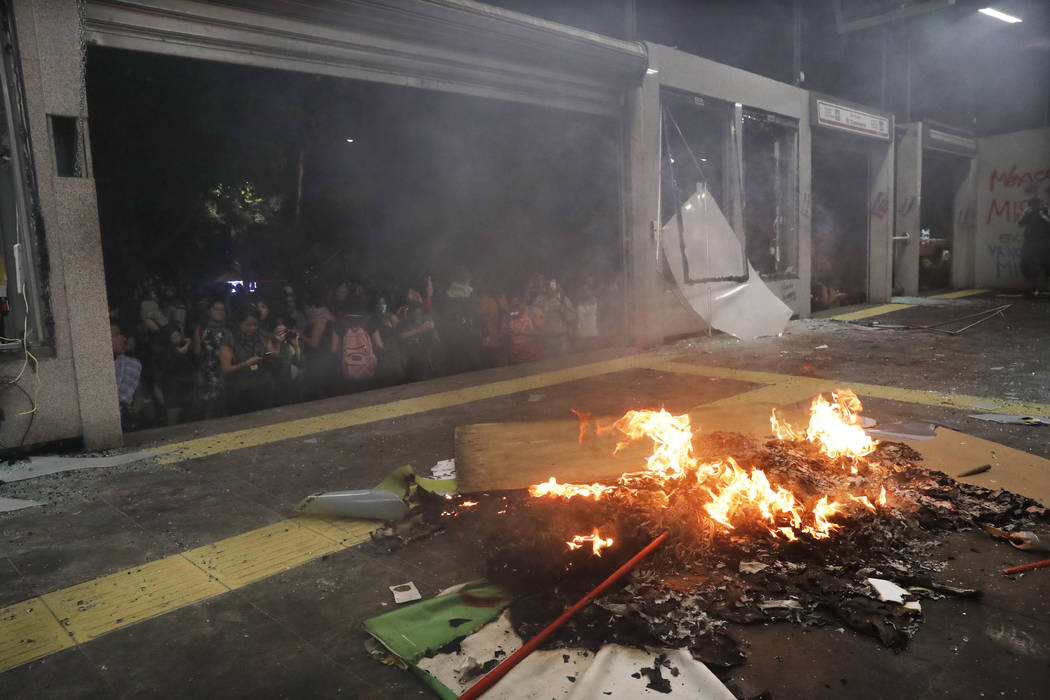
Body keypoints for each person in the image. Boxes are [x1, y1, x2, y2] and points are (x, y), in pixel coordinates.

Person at [220, 307, 277, 415]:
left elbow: (272, 354)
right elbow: (225, 368)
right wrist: (245, 364)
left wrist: (271, 355)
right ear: (239, 323)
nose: (252, 328)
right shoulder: (229, 337)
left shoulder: (262, 335)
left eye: (255, 325)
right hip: (239, 388)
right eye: (247, 325)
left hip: (262, 385)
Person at [437, 267, 482, 375]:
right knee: (471, 365)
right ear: (467, 279)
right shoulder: (471, 295)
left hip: (450, 335)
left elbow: (442, 316)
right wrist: (484, 332)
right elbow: (478, 314)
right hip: (468, 334)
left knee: (454, 365)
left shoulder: (446, 296)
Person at [193, 298, 230, 419]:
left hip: (226, 371)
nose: (220, 312)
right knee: (208, 405)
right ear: (210, 310)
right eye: (216, 309)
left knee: (225, 404)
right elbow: (197, 352)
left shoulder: (229, 328)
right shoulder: (201, 328)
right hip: (207, 372)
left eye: (222, 310)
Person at [399, 289, 439, 382]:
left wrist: (432, 329)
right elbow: (402, 336)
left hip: (425, 352)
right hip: (409, 354)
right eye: (415, 313)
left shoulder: (425, 316)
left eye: (419, 312)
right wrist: (420, 330)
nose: (418, 314)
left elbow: (433, 330)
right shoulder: (404, 322)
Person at [112, 323, 146, 430]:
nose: (123, 338)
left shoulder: (131, 364)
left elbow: (139, 397)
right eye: (116, 335)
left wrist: (130, 414)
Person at [159, 328, 195, 425]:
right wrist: (179, 354)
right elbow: (169, 367)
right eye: (174, 337)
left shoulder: (188, 348)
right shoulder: (166, 352)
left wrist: (188, 346)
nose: (177, 339)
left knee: (189, 419)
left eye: (178, 336)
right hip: (173, 389)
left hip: (188, 388)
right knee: (173, 421)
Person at [532, 277, 575, 358]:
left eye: (552, 286)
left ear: (557, 287)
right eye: (548, 286)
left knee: (564, 364)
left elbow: (572, 318)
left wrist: (563, 310)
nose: (550, 288)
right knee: (547, 365)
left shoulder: (563, 299)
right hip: (546, 340)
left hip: (562, 339)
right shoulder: (539, 300)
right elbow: (533, 318)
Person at [1019, 197, 1050, 294]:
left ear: (1039, 205)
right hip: (1030, 242)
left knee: (1046, 264)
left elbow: (1048, 222)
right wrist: (1025, 215)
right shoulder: (1029, 213)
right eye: (1032, 205)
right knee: (1025, 263)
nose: (1034, 207)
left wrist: (1042, 215)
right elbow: (1020, 224)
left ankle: (1043, 285)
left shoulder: (1045, 212)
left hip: (1042, 242)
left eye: (1035, 205)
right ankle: (1032, 285)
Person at [503, 294, 544, 364]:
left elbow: (543, 333)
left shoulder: (534, 312)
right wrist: (506, 333)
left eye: (517, 305)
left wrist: (521, 333)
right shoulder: (507, 316)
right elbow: (504, 337)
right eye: (512, 306)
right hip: (515, 361)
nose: (515, 309)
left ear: (523, 303)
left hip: (535, 359)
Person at [574, 279, 600, 352]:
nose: (585, 291)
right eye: (583, 290)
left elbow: (600, 316)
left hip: (593, 334)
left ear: (591, 290)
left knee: (593, 355)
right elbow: (577, 317)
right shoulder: (579, 302)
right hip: (582, 335)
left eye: (587, 289)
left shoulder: (596, 301)